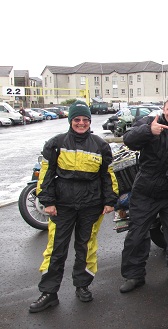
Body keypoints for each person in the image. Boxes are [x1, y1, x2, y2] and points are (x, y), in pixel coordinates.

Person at [29, 100, 118, 313]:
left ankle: (82, 286)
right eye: (77, 119)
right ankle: (49, 293)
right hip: (63, 206)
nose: (81, 123)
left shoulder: (100, 145)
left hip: (90, 205)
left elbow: (108, 175)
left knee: (85, 247)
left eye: (85, 120)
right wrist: (47, 202)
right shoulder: (56, 143)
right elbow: (46, 174)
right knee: (55, 249)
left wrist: (109, 200)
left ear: (89, 121)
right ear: (70, 121)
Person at [119, 94, 168, 293]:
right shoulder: (149, 123)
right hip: (145, 188)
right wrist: (148, 131)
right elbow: (128, 140)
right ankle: (134, 276)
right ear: (164, 108)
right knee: (136, 235)